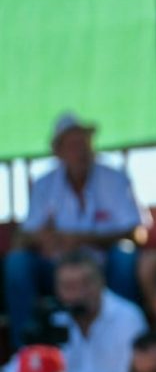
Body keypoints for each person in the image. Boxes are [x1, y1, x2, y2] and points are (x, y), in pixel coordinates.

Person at [3, 113, 147, 349]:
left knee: (124, 255)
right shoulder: (43, 184)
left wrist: (82, 239)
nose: (79, 150)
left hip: (103, 268)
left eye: (83, 142)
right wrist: (41, 238)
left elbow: (137, 233)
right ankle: (26, 351)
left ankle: (130, 340)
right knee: (16, 263)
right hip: (55, 270)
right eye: (71, 144)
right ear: (58, 150)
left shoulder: (115, 177)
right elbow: (23, 236)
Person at [52, 249, 148, 372]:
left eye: (85, 283)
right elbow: (24, 365)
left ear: (101, 281)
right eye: (69, 287)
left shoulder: (128, 316)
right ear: (58, 291)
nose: (78, 294)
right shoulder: (55, 319)